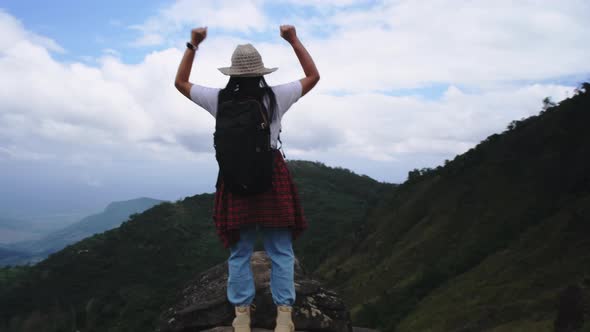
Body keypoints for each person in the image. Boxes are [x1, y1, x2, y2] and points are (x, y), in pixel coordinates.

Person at [174, 25, 320, 332]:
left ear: (232, 73)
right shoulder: (276, 96)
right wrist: (293, 40)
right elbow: (313, 76)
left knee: (240, 253)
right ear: (260, 71)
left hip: (234, 179)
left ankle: (241, 317)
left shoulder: (219, 99)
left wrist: (193, 44)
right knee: (280, 251)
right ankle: (284, 317)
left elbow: (181, 82)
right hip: (271, 177)